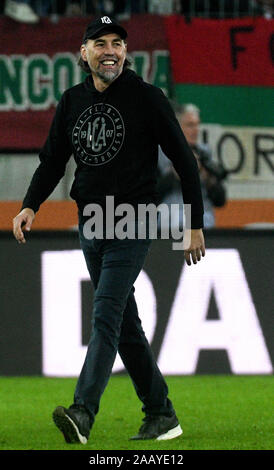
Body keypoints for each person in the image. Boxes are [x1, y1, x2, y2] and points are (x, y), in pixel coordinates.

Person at [13, 16, 205, 444]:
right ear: (83, 53)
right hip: (91, 224)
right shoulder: (71, 101)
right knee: (125, 328)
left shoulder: (147, 98)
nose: (110, 50)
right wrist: (30, 205)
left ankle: (82, 412)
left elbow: (185, 161)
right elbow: (51, 162)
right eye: (100, 43)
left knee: (105, 316)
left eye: (117, 42)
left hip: (133, 220)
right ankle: (161, 413)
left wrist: (194, 224)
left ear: (126, 52)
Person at [158, 103, 227, 228]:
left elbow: (220, 200)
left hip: (203, 220)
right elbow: (150, 195)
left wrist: (207, 178)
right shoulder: (161, 153)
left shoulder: (204, 153)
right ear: (177, 127)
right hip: (170, 219)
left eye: (197, 124)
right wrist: (175, 174)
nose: (196, 130)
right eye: (190, 125)